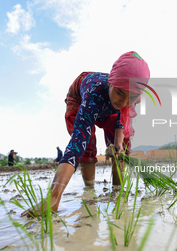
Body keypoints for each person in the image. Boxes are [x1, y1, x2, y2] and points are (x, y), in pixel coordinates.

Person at [22, 51, 153, 217]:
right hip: (80, 99)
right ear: (112, 83)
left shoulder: (126, 99)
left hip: (107, 106)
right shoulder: (94, 95)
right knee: (86, 144)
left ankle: (117, 190)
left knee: (122, 149)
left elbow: (122, 118)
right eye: (120, 93)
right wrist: (53, 197)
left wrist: (118, 143)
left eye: (132, 97)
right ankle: (89, 191)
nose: (124, 102)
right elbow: (76, 146)